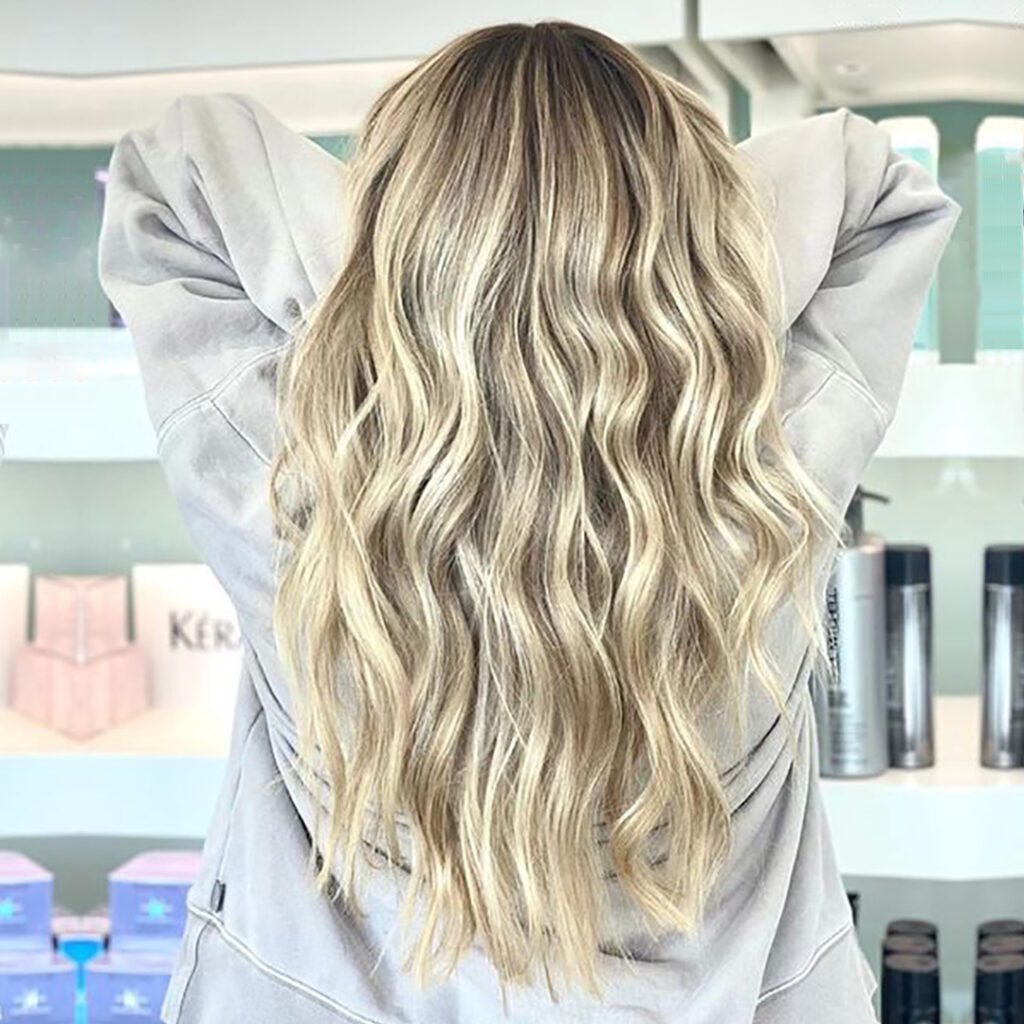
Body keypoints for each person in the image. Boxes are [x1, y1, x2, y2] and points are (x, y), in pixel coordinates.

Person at [97, 20, 959, 1024]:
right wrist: (667, 288)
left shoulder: (294, 496)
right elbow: (871, 189)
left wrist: (424, 276)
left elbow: (176, 171)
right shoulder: (760, 485)